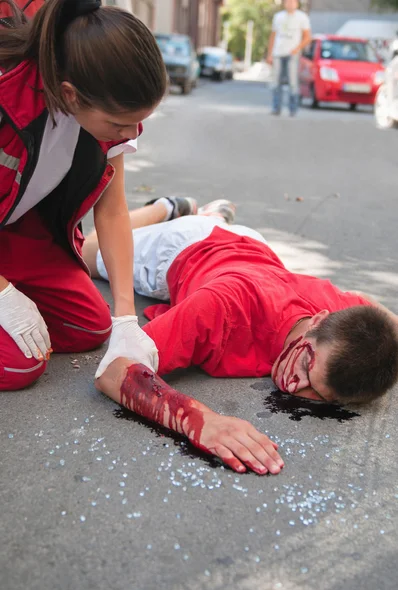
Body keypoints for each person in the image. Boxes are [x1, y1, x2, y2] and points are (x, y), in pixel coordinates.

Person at [84, 199, 398, 474]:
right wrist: (201, 421)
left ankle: (212, 215)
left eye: (316, 392)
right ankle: (168, 207)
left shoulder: (346, 318)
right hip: (182, 247)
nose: (292, 386)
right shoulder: (224, 307)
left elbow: (375, 311)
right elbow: (114, 370)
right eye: (305, 366)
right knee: (88, 250)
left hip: (251, 245)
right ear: (318, 320)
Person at [0, 0, 178, 392]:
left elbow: (112, 213)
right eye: (119, 124)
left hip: (13, 229)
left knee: (88, 326)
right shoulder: (6, 99)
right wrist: (3, 293)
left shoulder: (99, 103)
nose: (132, 135)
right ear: (70, 95)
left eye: (138, 122)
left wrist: (126, 319)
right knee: (18, 366)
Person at [266, 0, 311, 116]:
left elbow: (307, 37)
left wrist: (297, 48)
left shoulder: (302, 17)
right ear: (284, 3)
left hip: (292, 54)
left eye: (293, 2)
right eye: (288, 1)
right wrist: (269, 54)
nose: (290, 4)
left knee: (293, 82)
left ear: (297, 4)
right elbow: (273, 36)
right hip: (278, 53)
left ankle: (293, 109)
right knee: (276, 82)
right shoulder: (278, 17)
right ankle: (276, 108)